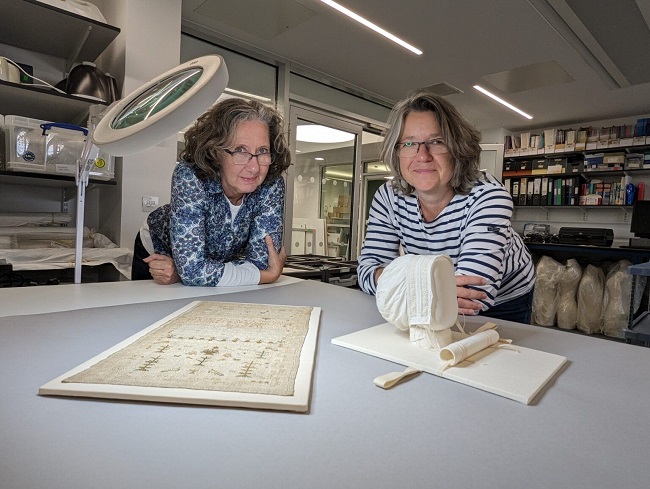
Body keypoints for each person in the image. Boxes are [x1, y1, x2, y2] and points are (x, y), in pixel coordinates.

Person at [358, 90, 535, 324]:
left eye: (436, 142)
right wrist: (424, 285)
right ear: (397, 152)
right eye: (409, 143)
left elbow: (474, 295)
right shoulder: (388, 196)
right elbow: (367, 272)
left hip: (506, 299)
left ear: (457, 150)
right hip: (436, 299)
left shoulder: (489, 196)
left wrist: (399, 280)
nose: (422, 156)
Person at [131, 97, 291, 286]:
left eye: (263, 151)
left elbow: (261, 264)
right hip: (159, 254)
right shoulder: (190, 176)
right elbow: (194, 271)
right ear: (216, 152)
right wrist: (269, 276)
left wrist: (191, 271)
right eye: (240, 150)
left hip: (200, 262)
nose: (254, 167)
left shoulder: (271, 184)